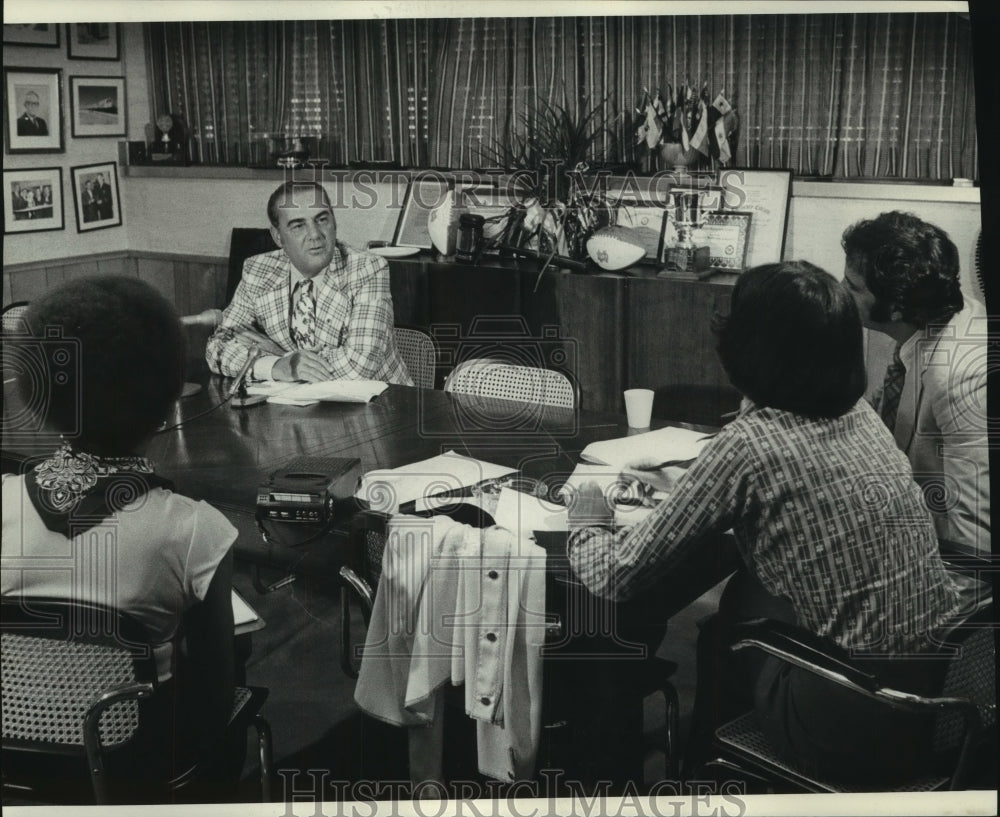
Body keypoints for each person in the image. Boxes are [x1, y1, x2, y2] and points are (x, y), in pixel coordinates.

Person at [566, 261, 976, 784]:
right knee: (742, 598)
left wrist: (586, 513)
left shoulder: (751, 443)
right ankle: (703, 766)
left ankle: (684, 776)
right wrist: (695, 486)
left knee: (724, 622)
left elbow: (614, 576)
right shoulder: (859, 414)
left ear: (747, 346)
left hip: (851, 718)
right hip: (934, 698)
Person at [1, 276, 238, 799]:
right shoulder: (195, 527)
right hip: (142, 769)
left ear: (38, 397)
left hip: (11, 768)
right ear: (169, 398)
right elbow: (218, 695)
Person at [841, 211, 989, 553]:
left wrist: (922, 606)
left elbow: (978, 545)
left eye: (852, 286)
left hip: (946, 570)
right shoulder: (920, 324)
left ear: (894, 308)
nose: (839, 291)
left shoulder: (962, 377)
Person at [206, 180, 413, 384]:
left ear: (334, 222)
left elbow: (359, 365)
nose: (315, 234)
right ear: (278, 237)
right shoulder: (259, 270)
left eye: (322, 220)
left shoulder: (367, 269)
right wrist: (277, 367)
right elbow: (218, 347)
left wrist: (285, 358)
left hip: (380, 407)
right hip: (293, 410)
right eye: (298, 226)